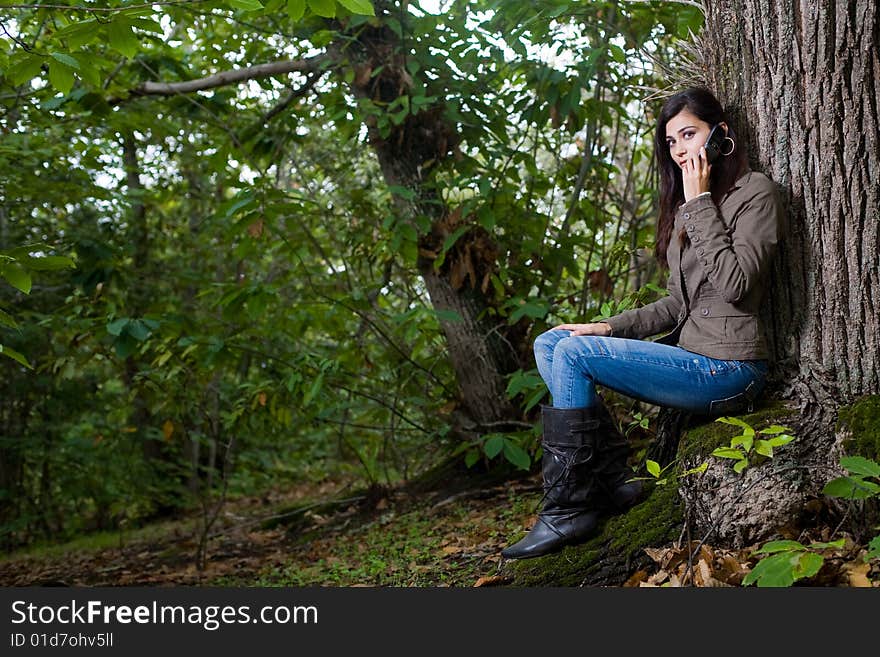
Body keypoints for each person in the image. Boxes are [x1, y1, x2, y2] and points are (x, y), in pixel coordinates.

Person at [502, 87, 782, 560]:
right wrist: (608, 327)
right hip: (693, 357)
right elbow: (676, 304)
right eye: (671, 142)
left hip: (732, 369)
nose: (680, 151)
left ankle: (569, 508)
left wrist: (698, 206)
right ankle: (611, 479)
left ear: (721, 134)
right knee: (554, 342)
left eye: (689, 134)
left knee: (571, 354)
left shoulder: (755, 193)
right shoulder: (688, 208)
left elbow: (738, 288)